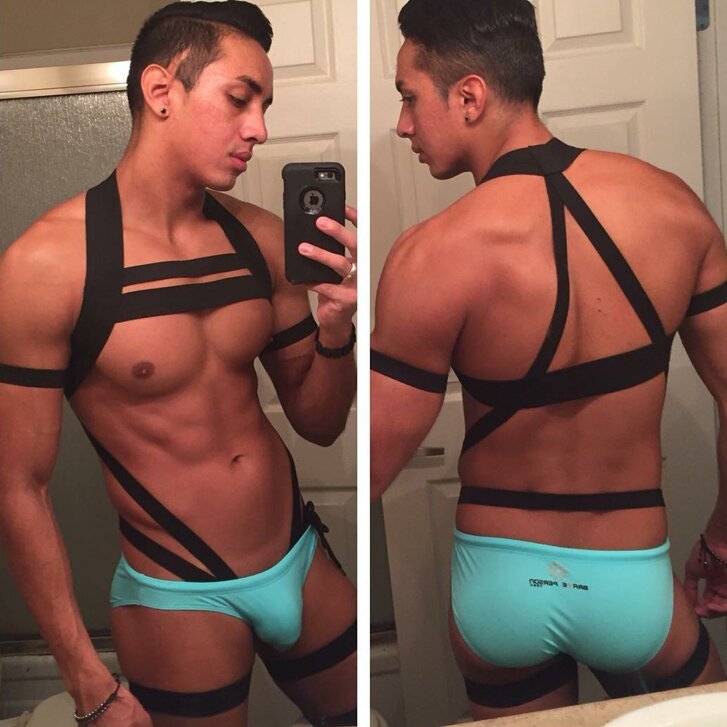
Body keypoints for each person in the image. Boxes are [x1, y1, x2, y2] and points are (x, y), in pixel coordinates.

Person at [0, 2, 357, 726]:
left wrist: (337, 328)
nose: (259, 129)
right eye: (240, 99)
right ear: (161, 91)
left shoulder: (261, 242)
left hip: (298, 557)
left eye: (264, 106)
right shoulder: (48, 266)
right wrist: (87, 681)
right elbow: (18, 486)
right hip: (179, 590)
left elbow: (320, 422)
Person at [371, 0, 727, 719]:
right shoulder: (673, 209)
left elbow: (369, 467)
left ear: (469, 96)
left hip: (499, 586)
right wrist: (722, 536)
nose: (403, 124)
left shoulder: (427, 256)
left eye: (409, 97)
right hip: (632, 585)